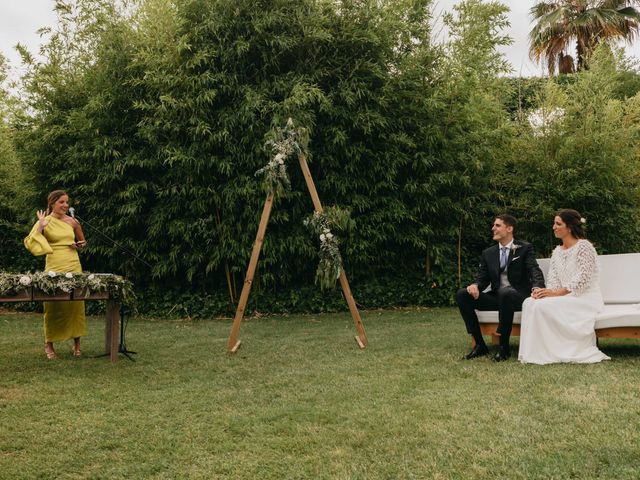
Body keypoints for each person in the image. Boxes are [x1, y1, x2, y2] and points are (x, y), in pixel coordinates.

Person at [518, 209, 610, 365]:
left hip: (584, 298)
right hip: (562, 296)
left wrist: (556, 294)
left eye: (558, 224)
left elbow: (583, 278)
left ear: (569, 227)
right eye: (554, 223)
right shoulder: (557, 252)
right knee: (530, 302)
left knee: (542, 307)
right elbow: (553, 281)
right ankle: (537, 352)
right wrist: (544, 292)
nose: (554, 227)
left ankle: (559, 351)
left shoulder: (584, 247)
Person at [456, 214, 545, 361]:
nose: (493, 228)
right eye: (493, 225)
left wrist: (537, 287)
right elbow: (483, 278)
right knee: (462, 294)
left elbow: (534, 269)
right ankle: (479, 345)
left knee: (506, 293)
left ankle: (504, 347)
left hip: (518, 297)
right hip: (497, 297)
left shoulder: (524, 248)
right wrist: (476, 285)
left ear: (509, 228)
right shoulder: (488, 253)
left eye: (497, 226)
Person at [24, 190, 87, 360]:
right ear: (52, 203)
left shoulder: (73, 222)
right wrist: (40, 227)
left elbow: (83, 242)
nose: (65, 205)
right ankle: (49, 345)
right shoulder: (45, 220)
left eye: (67, 202)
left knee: (76, 304)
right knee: (53, 305)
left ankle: (77, 344)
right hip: (54, 264)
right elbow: (30, 242)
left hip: (73, 263)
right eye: (61, 202)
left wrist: (79, 245)